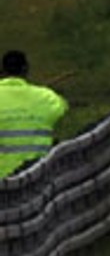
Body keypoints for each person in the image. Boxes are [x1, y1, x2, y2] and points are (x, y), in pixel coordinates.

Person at [0, 49, 68, 178]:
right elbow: (62, 107)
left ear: (2, 71)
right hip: (36, 177)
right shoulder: (46, 97)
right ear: (26, 69)